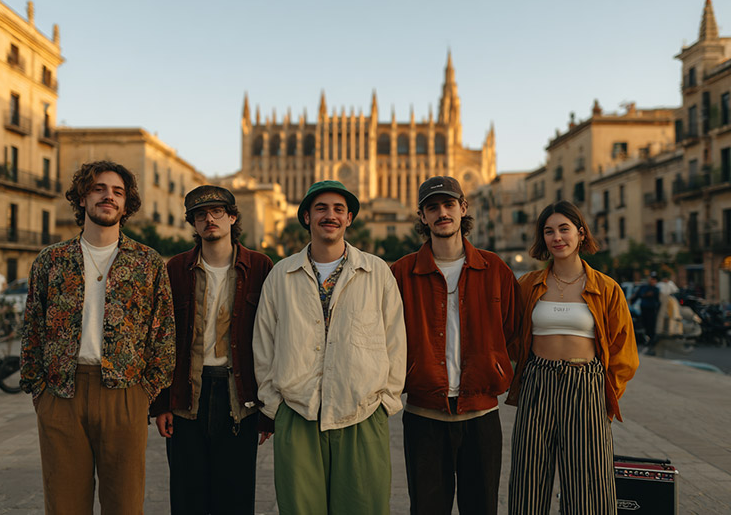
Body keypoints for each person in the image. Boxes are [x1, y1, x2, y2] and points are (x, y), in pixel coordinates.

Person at [20, 160, 175, 514]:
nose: (109, 196)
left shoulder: (147, 263)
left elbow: (164, 333)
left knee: (125, 504)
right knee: (64, 504)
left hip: (124, 396)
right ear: (82, 198)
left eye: (117, 191)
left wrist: (144, 393)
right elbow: (32, 329)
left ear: (126, 203)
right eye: (99, 189)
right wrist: (38, 391)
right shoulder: (51, 260)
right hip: (61, 395)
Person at [253, 180, 406, 515]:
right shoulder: (282, 275)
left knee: (364, 506)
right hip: (298, 412)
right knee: (300, 508)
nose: (330, 215)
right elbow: (263, 343)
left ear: (349, 218)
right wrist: (273, 402)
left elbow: (396, 339)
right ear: (306, 217)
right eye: (321, 208)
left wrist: (387, 399)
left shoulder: (376, 272)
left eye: (339, 209)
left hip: (362, 412)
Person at [391, 176, 521, 515]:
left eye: (449, 205)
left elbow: (513, 331)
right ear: (421, 216)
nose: (442, 213)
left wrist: (494, 368)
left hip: (481, 416)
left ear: (463, 209)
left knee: (482, 508)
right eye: (432, 208)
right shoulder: (402, 273)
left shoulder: (495, 269)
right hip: (423, 416)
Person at [506, 200, 639, 515]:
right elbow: (511, 336)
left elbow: (624, 353)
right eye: (549, 231)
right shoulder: (527, 285)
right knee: (528, 477)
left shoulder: (606, 289)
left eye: (564, 229)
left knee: (589, 483)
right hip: (537, 382)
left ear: (581, 233)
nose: (557, 237)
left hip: (586, 384)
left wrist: (606, 396)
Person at [150, 185, 273, 514]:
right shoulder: (176, 269)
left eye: (217, 212)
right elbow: (162, 339)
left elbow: (272, 339)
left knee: (235, 496)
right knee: (188, 497)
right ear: (193, 223)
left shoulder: (261, 267)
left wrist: (268, 411)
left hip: (239, 398)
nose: (209, 219)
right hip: (187, 397)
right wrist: (161, 404)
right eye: (200, 215)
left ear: (233, 217)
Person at [631, 272, 661, 343]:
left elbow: (657, 299)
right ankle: (646, 338)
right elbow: (638, 295)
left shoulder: (656, 289)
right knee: (644, 324)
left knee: (651, 324)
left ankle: (651, 338)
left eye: (654, 279)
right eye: (652, 279)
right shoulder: (644, 287)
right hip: (644, 309)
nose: (653, 280)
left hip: (652, 309)